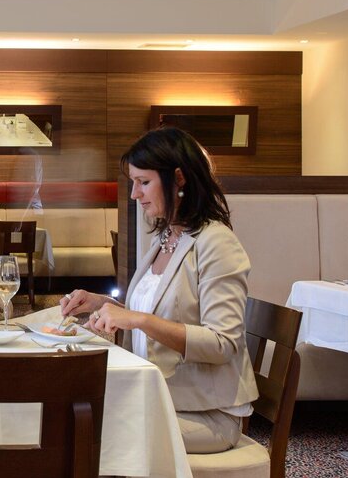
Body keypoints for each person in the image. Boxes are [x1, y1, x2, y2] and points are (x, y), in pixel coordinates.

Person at [59, 127, 257, 454]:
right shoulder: (165, 237)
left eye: (144, 182)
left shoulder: (216, 243)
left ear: (178, 179)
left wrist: (136, 319)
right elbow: (157, 310)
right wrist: (103, 303)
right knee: (70, 414)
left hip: (204, 414)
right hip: (157, 397)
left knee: (87, 431)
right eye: (133, 182)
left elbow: (223, 344)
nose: (135, 194)